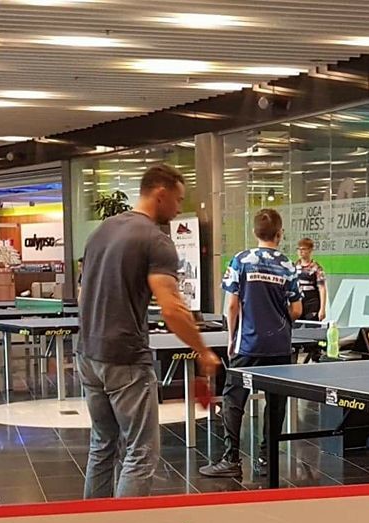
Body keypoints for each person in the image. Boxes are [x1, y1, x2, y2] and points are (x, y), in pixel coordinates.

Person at [78, 163, 219, 499]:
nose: (179, 208)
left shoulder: (101, 231)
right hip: (125, 356)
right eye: (178, 199)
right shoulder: (156, 241)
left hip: (88, 353)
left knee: (102, 444)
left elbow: (83, 294)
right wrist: (203, 351)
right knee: (141, 453)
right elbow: (172, 309)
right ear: (161, 193)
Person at [200, 209, 303, 479]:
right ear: (279, 234)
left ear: (255, 232)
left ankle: (231, 459)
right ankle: (267, 459)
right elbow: (297, 309)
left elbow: (232, 305)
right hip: (279, 346)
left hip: (248, 344)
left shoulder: (241, 260)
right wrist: (277, 317)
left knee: (234, 400)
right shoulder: (288, 265)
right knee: (275, 404)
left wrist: (231, 338)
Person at [294, 237, 327, 322]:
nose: (300, 252)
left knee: (311, 327)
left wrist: (322, 309)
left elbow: (322, 288)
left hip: (312, 304)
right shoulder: (294, 266)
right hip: (298, 304)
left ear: (310, 250)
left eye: (303, 249)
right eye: (298, 249)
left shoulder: (316, 268)